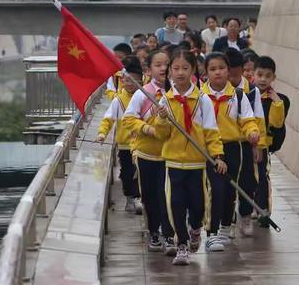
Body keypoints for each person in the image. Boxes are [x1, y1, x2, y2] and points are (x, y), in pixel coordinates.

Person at [153, 49, 227, 266]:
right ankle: (182, 245)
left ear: (194, 70)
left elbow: (211, 131)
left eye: (185, 68)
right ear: (169, 72)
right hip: (174, 162)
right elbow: (161, 134)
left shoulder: (202, 99)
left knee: (198, 205)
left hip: (197, 163)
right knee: (175, 204)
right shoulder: (165, 100)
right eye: (175, 68)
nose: (180, 73)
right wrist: (162, 120)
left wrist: (217, 156)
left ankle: (195, 229)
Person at [202, 52, 260, 252]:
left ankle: (226, 227)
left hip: (233, 149)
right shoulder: (199, 96)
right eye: (212, 69)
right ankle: (212, 232)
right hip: (209, 149)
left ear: (229, 70)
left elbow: (247, 119)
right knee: (214, 189)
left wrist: (252, 133)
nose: (218, 72)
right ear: (206, 72)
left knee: (229, 190)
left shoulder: (238, 95)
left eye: (221, 68)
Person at [123, 50, 177, 255]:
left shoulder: (178, 93)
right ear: (149, 69)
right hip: (147, 154)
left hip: (172, 155)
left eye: (167, 64)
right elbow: (128, 119)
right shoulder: (142, 92)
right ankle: (154, 232)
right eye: (158, 65)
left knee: (170, 197)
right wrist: (148, 129)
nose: (163, 68)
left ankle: (170, 234)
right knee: (151, 196)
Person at [226, 47, 265, 237]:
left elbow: (258, 119)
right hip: (225, 145)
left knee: (248, 182)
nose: (232, 79)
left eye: (235, 75)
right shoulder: (217, 90)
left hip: (246, 144)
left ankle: (246, 215)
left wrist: (258, 145)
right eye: (229, 74)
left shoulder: (252, 91)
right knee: (227, 184)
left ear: (242, 70)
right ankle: (229, 221)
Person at [97, 56, 143, 214]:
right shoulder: (118, 100)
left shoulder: (145, 97)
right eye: (127, 81)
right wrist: (102, 133)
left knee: (140, 172)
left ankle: (138, 197)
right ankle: (130, 198)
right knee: (127, 173)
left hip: (142, 144)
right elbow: (108, 118)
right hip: (125, 145)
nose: (130, 84)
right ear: (122, 80)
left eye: (134, 81)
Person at [250, 55, 290, 228]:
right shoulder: (246, 95)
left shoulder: (277, 99)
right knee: (247, 177)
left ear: (273, 78)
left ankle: (263, 210)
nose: (263, 79)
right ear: (253, 75)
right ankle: (248, 206)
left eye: (268, 76)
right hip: (246, 144)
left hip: (263, 145)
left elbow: (276, 124)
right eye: (260, 74)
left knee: (262, 178)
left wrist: (277, 104)